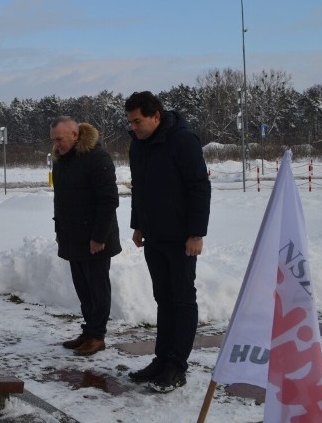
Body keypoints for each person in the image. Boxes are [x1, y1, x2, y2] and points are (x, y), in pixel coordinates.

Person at [124, 91, 211, 393]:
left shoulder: (182, 141)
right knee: (164, 298)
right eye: (130, 122)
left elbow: (199, 187)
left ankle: (177, 365)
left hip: (182, 237)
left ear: (156, 116)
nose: (133, 127)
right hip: (154, 236)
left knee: (182, 299)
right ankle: (162, 360)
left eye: (138, 121)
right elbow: (140, 188)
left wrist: (196, 233)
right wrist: (138, 225)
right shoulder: (138, 145)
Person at [49, 116, 121, 356]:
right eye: (53, 140)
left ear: (75, 134)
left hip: (95, 240)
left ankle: (98, 336)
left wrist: (99, 237)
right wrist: (60, 231)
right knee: (83, 289)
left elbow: (109, 200)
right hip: (73, 238)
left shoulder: (97, 158)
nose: (56, 144)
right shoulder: (61, 162)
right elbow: (61, 201)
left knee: (97, 289)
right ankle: (88, 331)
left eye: (60, 139)